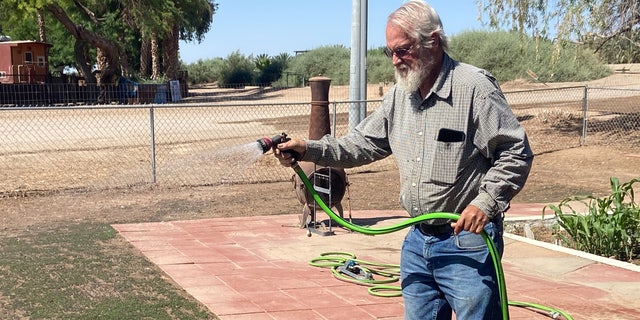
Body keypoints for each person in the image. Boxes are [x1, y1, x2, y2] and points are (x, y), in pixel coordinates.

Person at [274, 0, 533, 319]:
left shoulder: (474, 88)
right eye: (390, 52)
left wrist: (486, 203)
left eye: (403, 49)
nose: (395, 60)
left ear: (433, 42)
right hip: (417, 243)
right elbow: (360, 144)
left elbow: (515, 151)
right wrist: (307, 148)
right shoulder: (400, 96)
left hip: (467, 243)